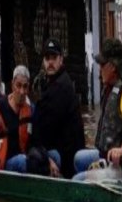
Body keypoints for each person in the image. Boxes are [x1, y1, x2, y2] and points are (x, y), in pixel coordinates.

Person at [73, 38, 122, 181]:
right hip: (107, 157)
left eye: (102, 64)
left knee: (77, 180)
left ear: (113, 66)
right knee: (79, 158)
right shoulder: (112, 86)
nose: (100, 68)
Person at [0, 65, 60, 179]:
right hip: (7, 162)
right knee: (21, 161)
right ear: (13, 85)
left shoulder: (31, 110)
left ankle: (50, 178)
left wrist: (50, 161)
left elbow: (36, 142)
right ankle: (46, 177)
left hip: (27, 156)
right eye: (18, 86)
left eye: (25, 87)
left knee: (55, 156)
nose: (22, 91)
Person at [32, 39, 85, 178]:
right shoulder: (53, 82)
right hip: (68, 156)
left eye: (54, 58)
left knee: (34, 157)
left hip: (67, 162)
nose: (50, 62)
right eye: (47, 58)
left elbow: (43, 130)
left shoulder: (61, 86)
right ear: (43, 61)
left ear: (61, 60)